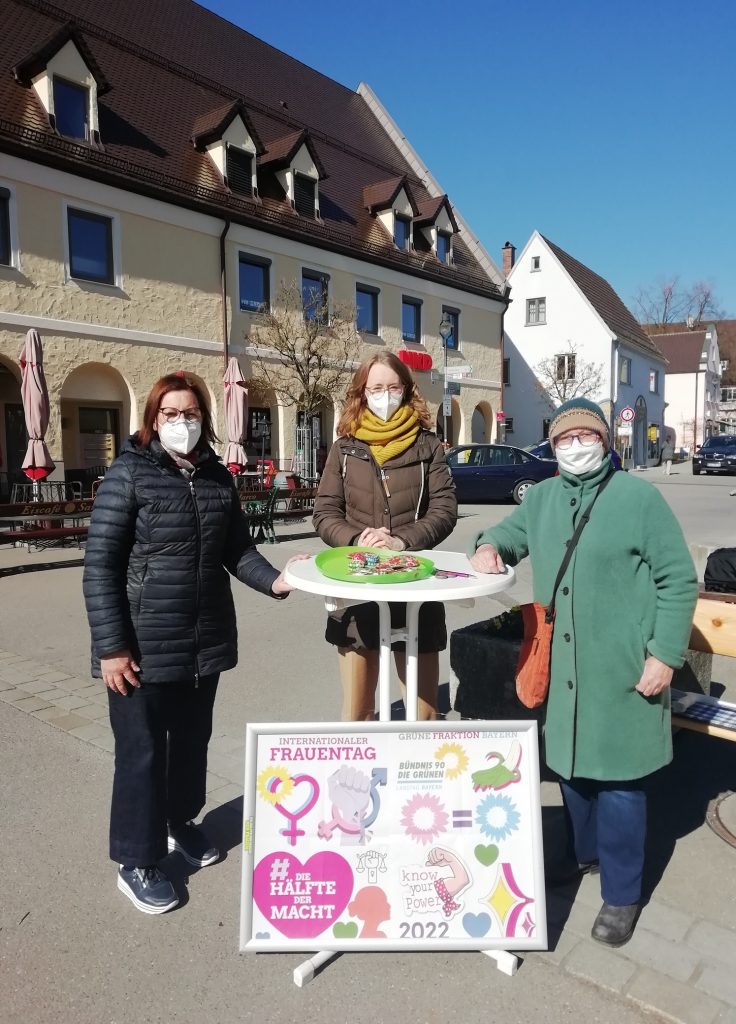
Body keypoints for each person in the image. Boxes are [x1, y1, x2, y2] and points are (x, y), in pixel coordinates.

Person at [469, 397, 697, 948]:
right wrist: (487, 547)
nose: (575, 447)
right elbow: (507, 535)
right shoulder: (543, 498)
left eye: (586, 436)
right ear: (552, 446)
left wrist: (664, 655)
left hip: (623, 666)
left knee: (620, 782)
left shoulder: (637, 498)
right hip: (565, 670)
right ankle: (581, 853)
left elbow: (678, 578)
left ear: (605, 442)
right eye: (565, 439)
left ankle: (622, 894)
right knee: (572, 771)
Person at [83, 372, 306, 915]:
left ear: (204, 418)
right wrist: (112, 647)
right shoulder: (128, 473)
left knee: (190, 743)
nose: (181, 423)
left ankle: (178, 821)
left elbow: (238, 551)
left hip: (202, 644)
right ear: (153, 419)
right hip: (140, 648)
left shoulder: (216, 477)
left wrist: (277, 581)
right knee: (141, 753)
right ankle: (135, 860)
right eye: (170, 414)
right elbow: (100, 567)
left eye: (190, 413)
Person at [312, 350, 457, 721]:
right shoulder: (345, 448)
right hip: (357, 586)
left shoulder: (427, 445)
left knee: (423, 716)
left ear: (406, 390)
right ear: (362, 392)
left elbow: (444, 511)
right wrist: (357, 539)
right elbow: (325, 512)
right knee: (357, 712)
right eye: (376, 388)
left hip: (416, 585)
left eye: (393, 387)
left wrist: (401, 541)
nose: (385, 395)